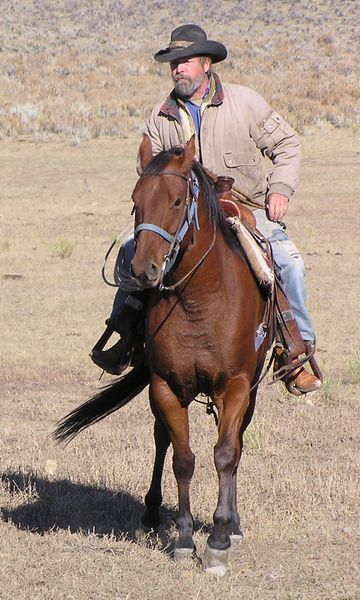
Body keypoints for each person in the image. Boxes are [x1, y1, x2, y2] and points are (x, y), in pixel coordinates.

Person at [90, 24, 321, 394]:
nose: (177, 69)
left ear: (206, 64)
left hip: (242, 207)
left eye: (185, 62)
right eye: (173, 63)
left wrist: (279, 190)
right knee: (133, 250)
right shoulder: (161, 117)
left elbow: (288, 144)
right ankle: (127, 337)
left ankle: (293, 354)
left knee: (288, 262)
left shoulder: (244, 103)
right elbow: (149, 171)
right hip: (186, 216)